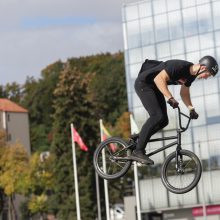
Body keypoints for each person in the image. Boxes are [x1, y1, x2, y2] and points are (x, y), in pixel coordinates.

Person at [130, 55, 219, 165]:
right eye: (208, 75)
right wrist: (170, 98)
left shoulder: (191, 76)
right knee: (157, 116)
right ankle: (138, 151)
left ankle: (140, 137)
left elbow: (184, 93)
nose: (206, 78)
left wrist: (191, 109)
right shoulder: (179, 66)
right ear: (203, 68)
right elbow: (159, 79)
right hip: (144, 84)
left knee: (164, 120)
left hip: (154, 88)